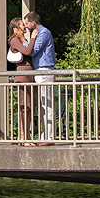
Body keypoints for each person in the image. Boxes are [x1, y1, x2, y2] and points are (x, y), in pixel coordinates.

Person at [25, 11, 56, 143]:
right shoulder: (37, 34)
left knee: (47, 105)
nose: (26, 27)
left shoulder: (43, 33)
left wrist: (22, 41)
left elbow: (32, 50)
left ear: (33, 23)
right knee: (42, 106)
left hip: (45, 71)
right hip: (39, 71)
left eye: (27, 24)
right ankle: (45, 135)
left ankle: (49, 136)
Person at [7, 18, 34, 143]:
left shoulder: (22, 40)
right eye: (22, 25)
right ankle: (22, 135)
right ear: (16, 28)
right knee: (24, 106)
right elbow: (28, 50)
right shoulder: (15, 40)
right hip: (23, 76)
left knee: (29, 107)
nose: (24, 27)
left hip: (29, 75)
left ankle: (27, 135)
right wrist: (31, 39)